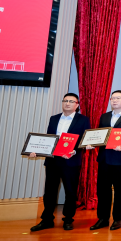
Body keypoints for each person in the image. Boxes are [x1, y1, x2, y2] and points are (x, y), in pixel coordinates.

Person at [30, 93, 91, 232]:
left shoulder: (83, 120)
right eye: (65, 100)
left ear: (77, 105)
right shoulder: (54, 118)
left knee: (70, 192)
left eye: (71, 101)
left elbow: (84, 140)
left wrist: (74, 151)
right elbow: (48, 139)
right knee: (49, 191)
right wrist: (37, 151)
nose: (68, 103)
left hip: (71, 160)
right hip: (52, 160)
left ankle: (68, 219)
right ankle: (47, 219)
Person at [90, 90, 121, 231]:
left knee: (120, 190)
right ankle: (103, 218)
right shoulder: (105, 116)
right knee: (103, 190)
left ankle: (118, 219)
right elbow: (100, 135)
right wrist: (91, 143)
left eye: (118, 98)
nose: (114, 100)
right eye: (112, 98)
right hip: (104, 158)